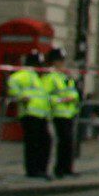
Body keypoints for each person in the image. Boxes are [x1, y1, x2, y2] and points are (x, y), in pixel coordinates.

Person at [7, 53, 51, 177]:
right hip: (29, 113)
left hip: (40, 114)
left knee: (44, 142)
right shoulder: (24, 74)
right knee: (33, 143)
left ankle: (41, 169)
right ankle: (33, 170)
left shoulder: (37, 77)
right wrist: (20, 96)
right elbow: (11, 83)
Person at [43, 50, 81, 178]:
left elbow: (73, 92)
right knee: (63, 141)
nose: (62, 64)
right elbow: (45, 95)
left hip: (69, 113)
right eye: (60, 61)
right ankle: (59, 169)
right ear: (54, 62)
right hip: (58, 113)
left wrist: (72, 98)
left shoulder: (65, 77)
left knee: (69, 142)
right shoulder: (50, 77)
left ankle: (67, 168)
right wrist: (61, 100)